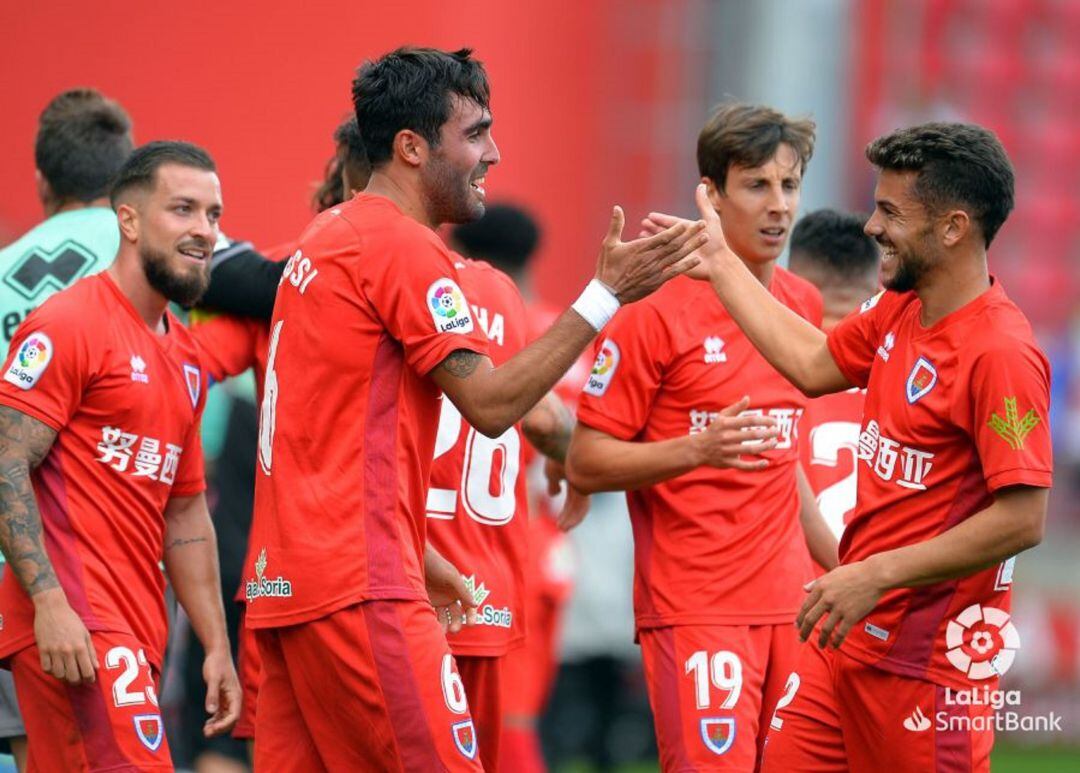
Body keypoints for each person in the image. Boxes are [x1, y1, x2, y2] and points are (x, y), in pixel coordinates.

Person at [244, 46, 706, 771]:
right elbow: (492, 406)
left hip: (287, 586)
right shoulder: (401, 247)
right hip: (363, 589)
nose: (494, 152)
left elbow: (319, 448)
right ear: (411, 146)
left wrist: (418, 553)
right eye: (477, 132)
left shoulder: (322, 240)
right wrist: (604, 294)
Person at [645, 123, 1052, 772]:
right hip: (845, 644)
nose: (871, 226)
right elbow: (811, 361)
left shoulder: (1000, 352)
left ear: (952, 228)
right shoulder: (898, 310)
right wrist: (722, 263)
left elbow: (1023, 517)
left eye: (890, 210)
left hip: (928, 670)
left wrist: (875, 572)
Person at [565, 102, 838, 771]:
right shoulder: (653, 310)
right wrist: (698, 449)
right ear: (711, 196)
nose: (778, 206)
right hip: (697, 610)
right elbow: (585, 460)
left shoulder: (800, 304)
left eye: (790, 185)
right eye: (757, 185)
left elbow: (784, 453)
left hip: (793, 608)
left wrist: (843, 566)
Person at [0, 141, 242, 771]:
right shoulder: (69, 323)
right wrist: (50, 604)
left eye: (213, 215)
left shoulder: (187, 359)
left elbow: (185, 515)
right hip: (74, 630)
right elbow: (4, 462)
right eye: (183, 209)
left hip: (139, 636)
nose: (203, 231)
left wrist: (216, 646)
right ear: (128, 221)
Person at [0, 87, 133, 771]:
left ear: (43, 179)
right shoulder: (155, 250)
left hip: (12, 567)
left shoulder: (2, 269)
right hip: (124, 560)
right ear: (127, 178)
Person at [788, 209, 880, 542]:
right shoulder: (910, 373)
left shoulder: (766, 362)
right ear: (877, 286)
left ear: (790, 279)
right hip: (882, 585)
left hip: (790, 585)